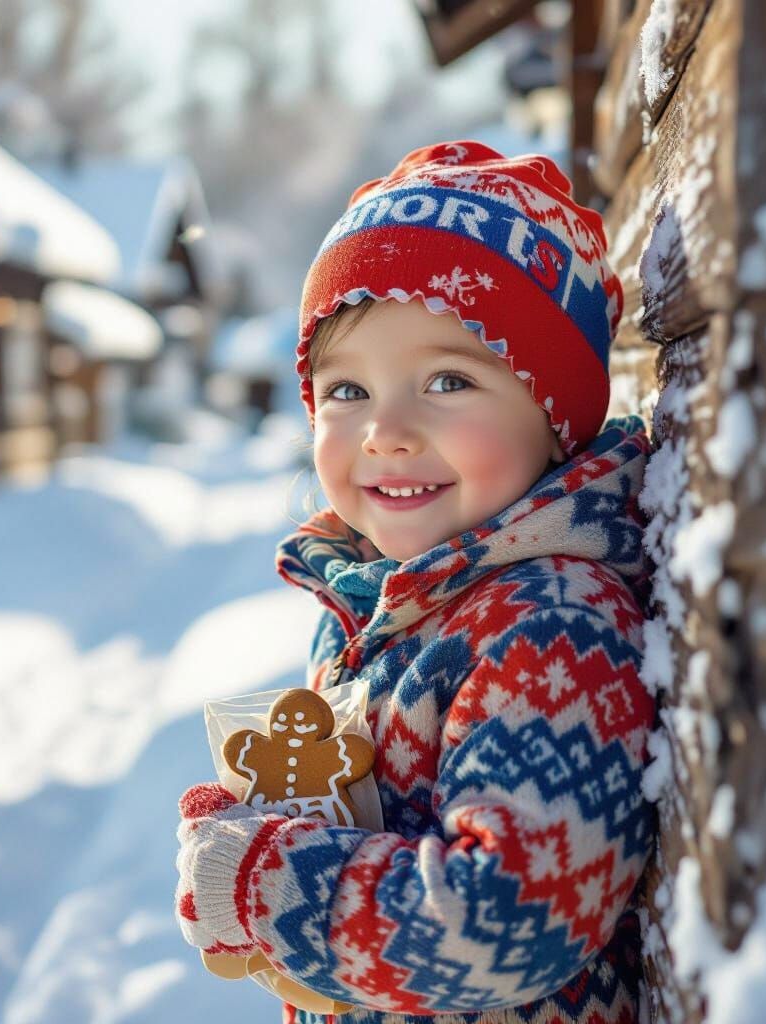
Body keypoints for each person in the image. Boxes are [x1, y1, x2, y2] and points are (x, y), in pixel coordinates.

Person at [175, 140, 656, 1024]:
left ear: (553, 418)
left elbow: (509, 920)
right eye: (347, 390)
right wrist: (258, 841)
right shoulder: (380, 601)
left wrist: (274, 883)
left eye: (446, 379)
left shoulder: (552, 626)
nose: (385, 431)